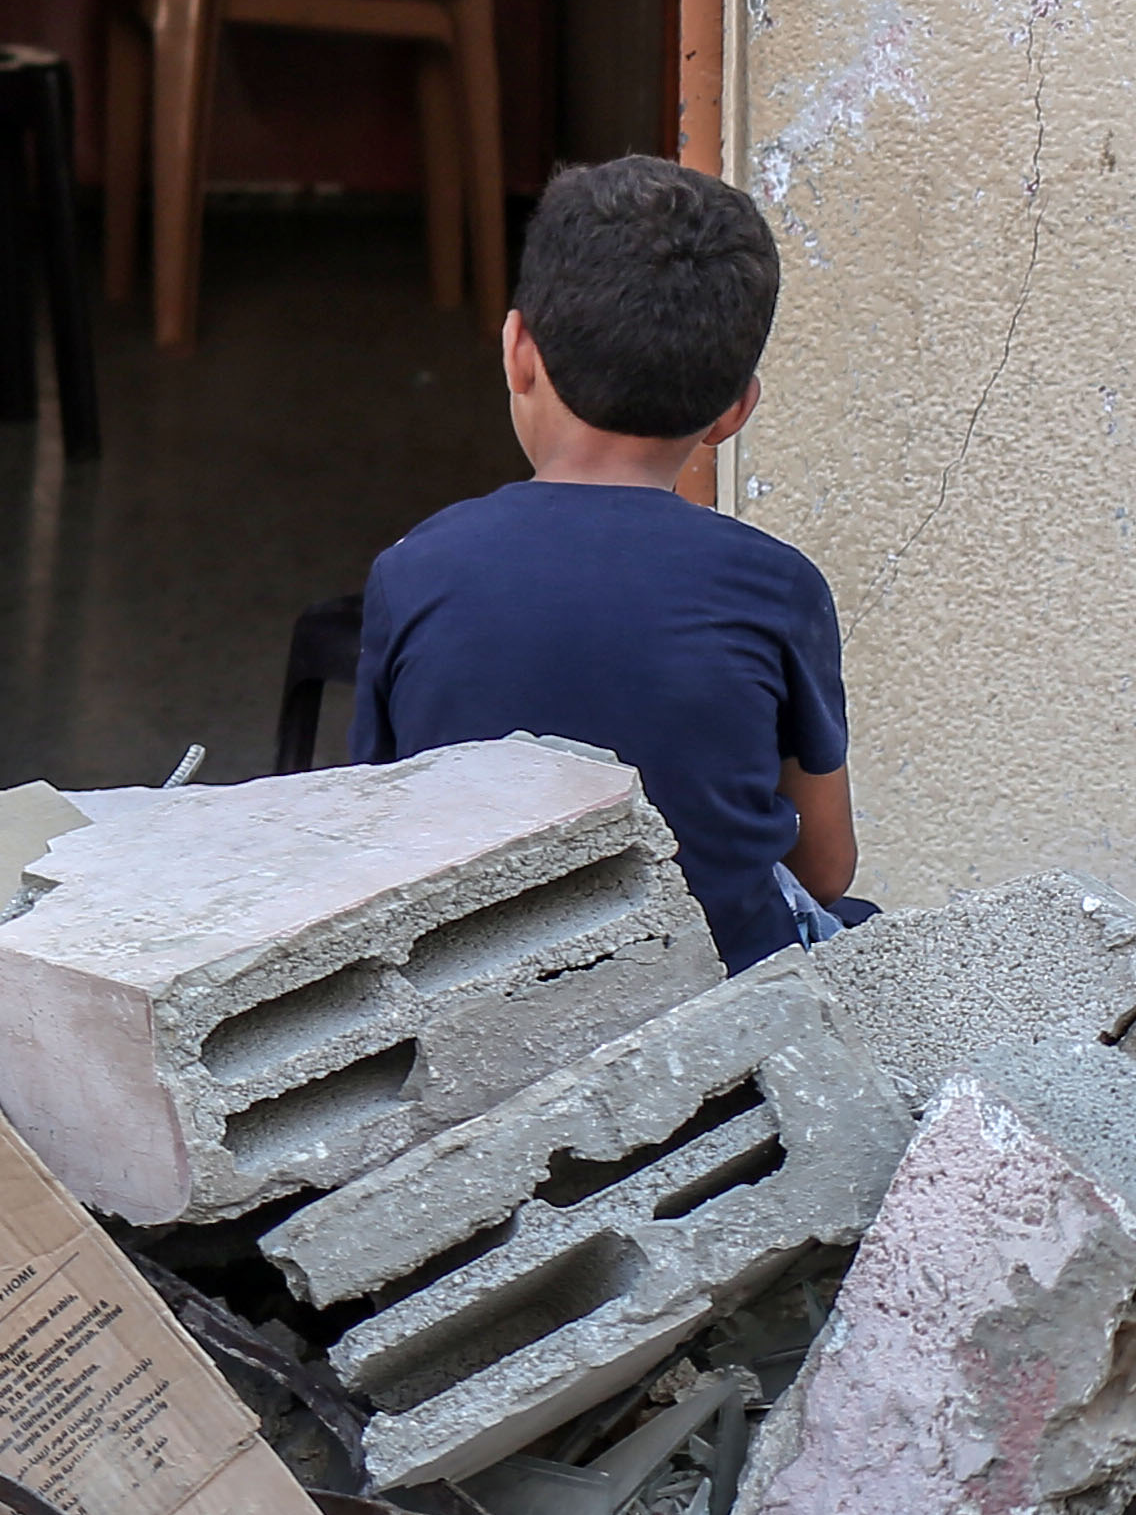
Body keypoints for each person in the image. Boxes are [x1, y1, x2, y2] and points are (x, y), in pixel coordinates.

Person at [356, 159, 854, 976]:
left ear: (518, 350)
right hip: (720, 1009)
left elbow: (372, 839)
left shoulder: (416, 571)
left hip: (478, 1006)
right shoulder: (777, 586)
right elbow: (826, 871)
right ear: (734, 411)